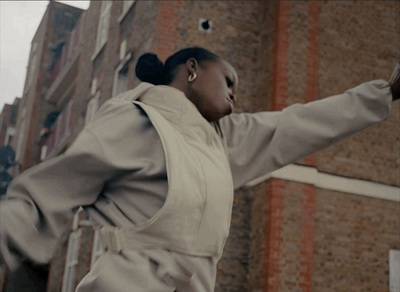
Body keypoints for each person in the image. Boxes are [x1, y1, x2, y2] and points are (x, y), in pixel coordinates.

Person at [0, 47, 399, 291]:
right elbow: (45, 196)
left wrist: (386, 93)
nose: (234, 93)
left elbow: (299, 124)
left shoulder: (224, 140)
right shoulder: (134, 120)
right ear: (191, 69)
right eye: (228, 79)